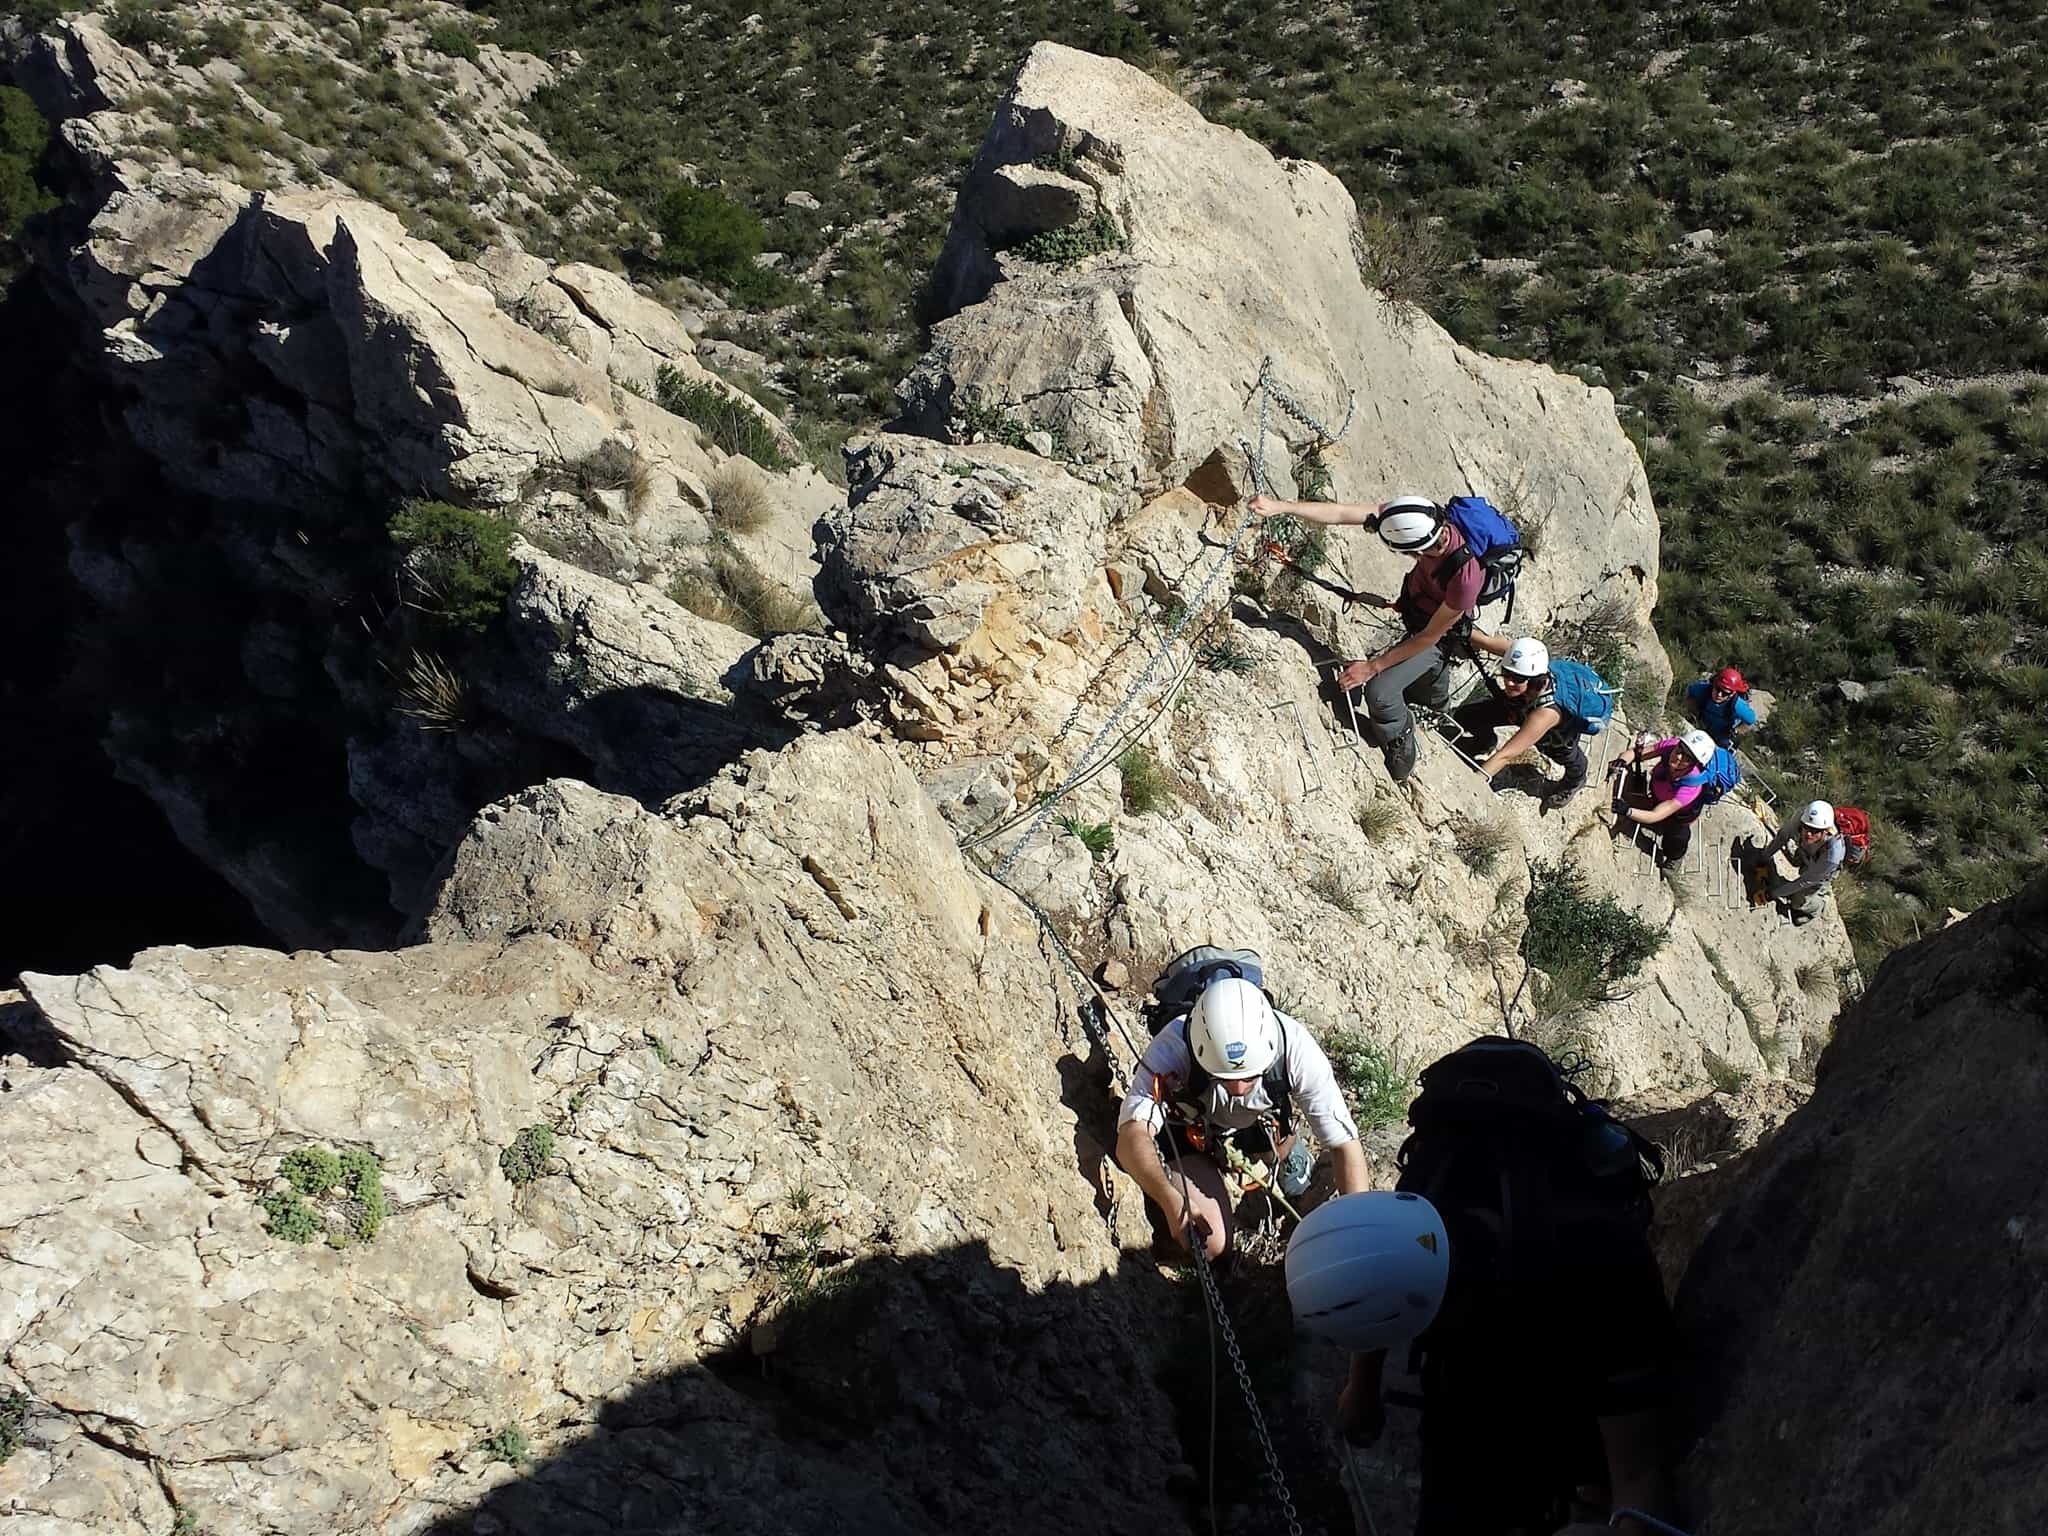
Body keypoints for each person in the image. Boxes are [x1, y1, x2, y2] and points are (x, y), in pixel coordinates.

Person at [1289, 1040, 1678, 1536]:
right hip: (1464, 1384)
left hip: (1569, 1394)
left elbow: (1637, 1476)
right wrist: (1362, 1386)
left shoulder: (1597, 1258)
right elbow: (1377, 1290)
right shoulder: (1421, 1205)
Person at [1116, 976, 1369, 1260]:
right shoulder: (1174, 1046)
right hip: (1190, 1129)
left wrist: (1357, 1237)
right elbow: (1130, 1137)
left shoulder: (1295, 1047)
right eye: (1224, 1077)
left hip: (1257, 1121)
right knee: (1213, 1244)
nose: (1237, 1088)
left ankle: (1283, 1150)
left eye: (1249, 1076)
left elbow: (1345, 1144)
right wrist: (1171, 1199)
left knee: (1286, 1157)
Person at [1247, 493, 1485, 783]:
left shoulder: (1466, 578)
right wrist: (1281, 507)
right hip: (1418, 613)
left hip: (1437, 637)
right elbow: (1342, 512)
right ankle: (1428, 698)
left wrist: (1372, 667)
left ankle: (1403, 735)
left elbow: (1428, 638)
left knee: (1381, 694)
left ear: (1419, 549)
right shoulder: (1414, 516)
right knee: (1419, 686)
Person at [1453, 634, 1609, 808]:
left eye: (1518, 678)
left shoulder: (1546, 713)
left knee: (1566, 756)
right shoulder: (1524, 661)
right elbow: (1488, 642)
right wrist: (1460, 626)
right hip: (1521, 704)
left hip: (1555, 732)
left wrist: (1472, 784)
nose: (1509, 682)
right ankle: (1484, 742)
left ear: (1534, 678)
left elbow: (1506, 754)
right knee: (1466, 715)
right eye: (1506, 673)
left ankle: (1576, 779)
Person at [1608, 729, 1718, 868]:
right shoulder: (1671, 746)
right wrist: (1622, 761)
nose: (1678, 756)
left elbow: (1656, 815)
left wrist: (1628, 811)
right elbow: (1636, 753)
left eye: (1687, 758)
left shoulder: (1691, 787)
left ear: (1694, 764)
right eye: (1680, 749)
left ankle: (1674, 858)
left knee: (1676, 836)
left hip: (1680, 814)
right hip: (1660, 792)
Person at [1750, 800, 1847, 926]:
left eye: (1815, 831)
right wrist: (1763, 858)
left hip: (1819, 870)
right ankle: (1798, 869)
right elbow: (1782, 837)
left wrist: (1770, 895)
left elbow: (1804, 881)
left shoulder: (1833, 853)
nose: (1808, 833)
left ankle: (1818, 907)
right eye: (1806, 828)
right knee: (1791, 856)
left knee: (1797, 901)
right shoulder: (1802, 816)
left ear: (1825, 831)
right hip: (1806, 852)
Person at [1683, 666, 1756, 750]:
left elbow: (1750, 721)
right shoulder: (1703, 690)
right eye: (1718, 689)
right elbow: (1690, 695)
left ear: (1732, 694)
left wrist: (1736, 731)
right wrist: (1695, 713)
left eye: (1725, 693)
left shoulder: (1738, 706)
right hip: (1701, 723)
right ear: (1714, 684)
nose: (1719, 695)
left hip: (1722, 735)